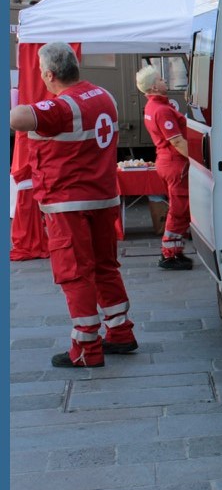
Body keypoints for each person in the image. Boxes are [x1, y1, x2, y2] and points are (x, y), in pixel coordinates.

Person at [9, 42, 137, 368]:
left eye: (41, 72)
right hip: (104, 197)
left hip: (69, 204)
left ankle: (86, 348)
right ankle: (120, 331)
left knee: (75, 274)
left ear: (50, 74)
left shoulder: (62, 108)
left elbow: (20, 118)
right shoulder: (103, 95)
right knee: (105, 266)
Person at [136, 64, 193, 270]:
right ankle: (169, 254)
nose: (164, 81)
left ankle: (175, 250)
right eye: (160, 79)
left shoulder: (153, 108)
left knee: (180, 208)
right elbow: (177, 141)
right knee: (179, 209)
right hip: (176, 164)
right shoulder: (161, 110)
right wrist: (199, 160)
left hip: (167, 162)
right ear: (152, 87)